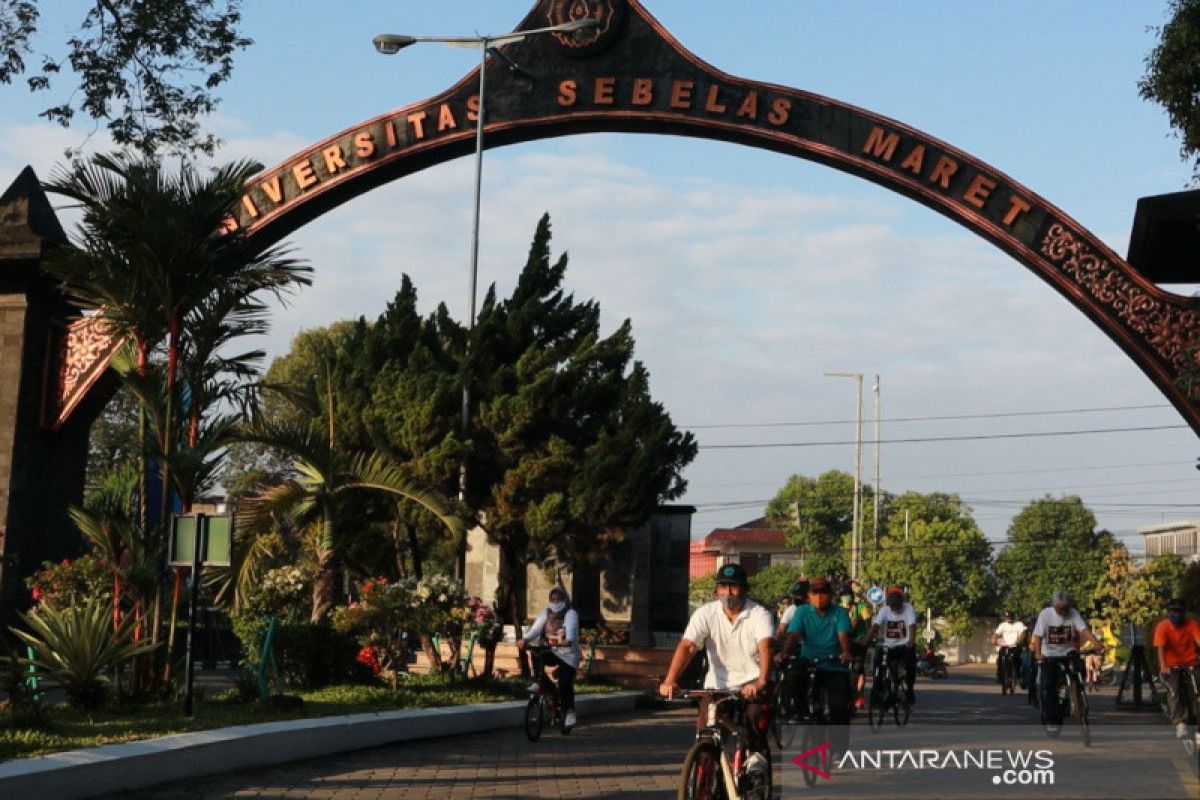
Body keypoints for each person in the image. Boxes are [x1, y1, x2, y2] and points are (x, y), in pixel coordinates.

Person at [660, 563, 774, 774]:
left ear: (745, 590)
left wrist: (760, 681)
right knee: (707, 735)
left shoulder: (759, 614)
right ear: (716, 591)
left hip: (752, 684)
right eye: (723, 587)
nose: (728, 593)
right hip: (717, 686)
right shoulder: (706, 613)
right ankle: (707, 779)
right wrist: (671, 679)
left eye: (734, 587)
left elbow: (765, 647)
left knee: (754, 721)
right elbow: (688, 646)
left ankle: (756, 761)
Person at [777, 577, 854, 723]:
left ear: (830, 595)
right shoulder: (802, 612)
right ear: (809, 596)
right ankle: (800, 711)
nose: (819, 596)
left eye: (823, 592)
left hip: (834, 664)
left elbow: (843, 635)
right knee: (793, 675)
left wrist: (846, 652)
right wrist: (784, 652)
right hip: (809, 662)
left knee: (839, 712)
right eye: (815, 592)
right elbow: (794, 635)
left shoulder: (840, 613)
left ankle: (839, 744)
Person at [1029, 590, 1103, 731]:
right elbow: (1038, 636)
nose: (1063, 612)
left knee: (1077, 668)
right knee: (1049, 686)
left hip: (1067, 652)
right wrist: (1038, 653)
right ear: (1054, 605)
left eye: (1066, 608)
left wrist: (1096, 643)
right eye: (1060, 609)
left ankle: (1077, 695)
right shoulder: (1045, 614)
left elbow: (1083, 630)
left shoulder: (1073, 613)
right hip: (1049, 655)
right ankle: (1052, 718)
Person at [518, 585, 582, 729]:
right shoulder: (545, 613)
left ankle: (569, 712)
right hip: (552, 651)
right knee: (536, 653)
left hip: (568, 655)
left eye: (558, 599)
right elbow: (535, 629)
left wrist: (568, 640)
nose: (555, 602)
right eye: (553, 599)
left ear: (564, 600)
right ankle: (539, 682)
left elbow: (570, 631)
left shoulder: (570, 614)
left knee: (565, 683)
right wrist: (525, 639)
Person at [1152, 598, 1200, 739]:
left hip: (1191, 662)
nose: (1176, 614)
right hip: (1171, 666)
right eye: (1173, 611)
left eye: (1179, 611)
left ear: (1184, 613)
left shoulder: (1191, 624)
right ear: (1168, 612)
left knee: (1197, 691)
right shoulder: (1163, 627)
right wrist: (1163, 666)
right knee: (1174, 691)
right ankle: (1179, 722)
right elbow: (1160, 648)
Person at [867, 586, 918, 704]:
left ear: (901, 602)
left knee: (910, 666)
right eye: (892, 606)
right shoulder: (884, 610)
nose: (894, 609)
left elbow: (912, 625)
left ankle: (909, 690)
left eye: (897, 606)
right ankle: (877, 692)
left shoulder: (908, 608)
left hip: (904, 646)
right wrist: (867, 639)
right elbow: (876, 626)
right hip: (887, 646)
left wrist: (911, 640)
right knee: (878, 664)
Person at [839, 584, 872, 708]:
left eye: (847, 596)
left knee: (858, 668)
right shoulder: (838, 609)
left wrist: (867, 639)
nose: (846, 599)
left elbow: (869, 627)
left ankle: (859, 695)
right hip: (842, 643)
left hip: (859, 643)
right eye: (843, 596)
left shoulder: (862, 607)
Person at [992, 611, 1027, 685]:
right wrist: (994, 639)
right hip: (1005, 646)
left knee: (1017, 659)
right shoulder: (1003, 625)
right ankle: (1000, 676)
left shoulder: (1019, 624)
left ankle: (1018, 675)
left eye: (1010, 617)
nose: (1009, 619)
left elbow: (1023, 633)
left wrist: (1020, 641)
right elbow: (996, 634)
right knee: (1000, 659)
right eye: (1007, 617)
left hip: (1015, 646)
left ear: (1013, 617)